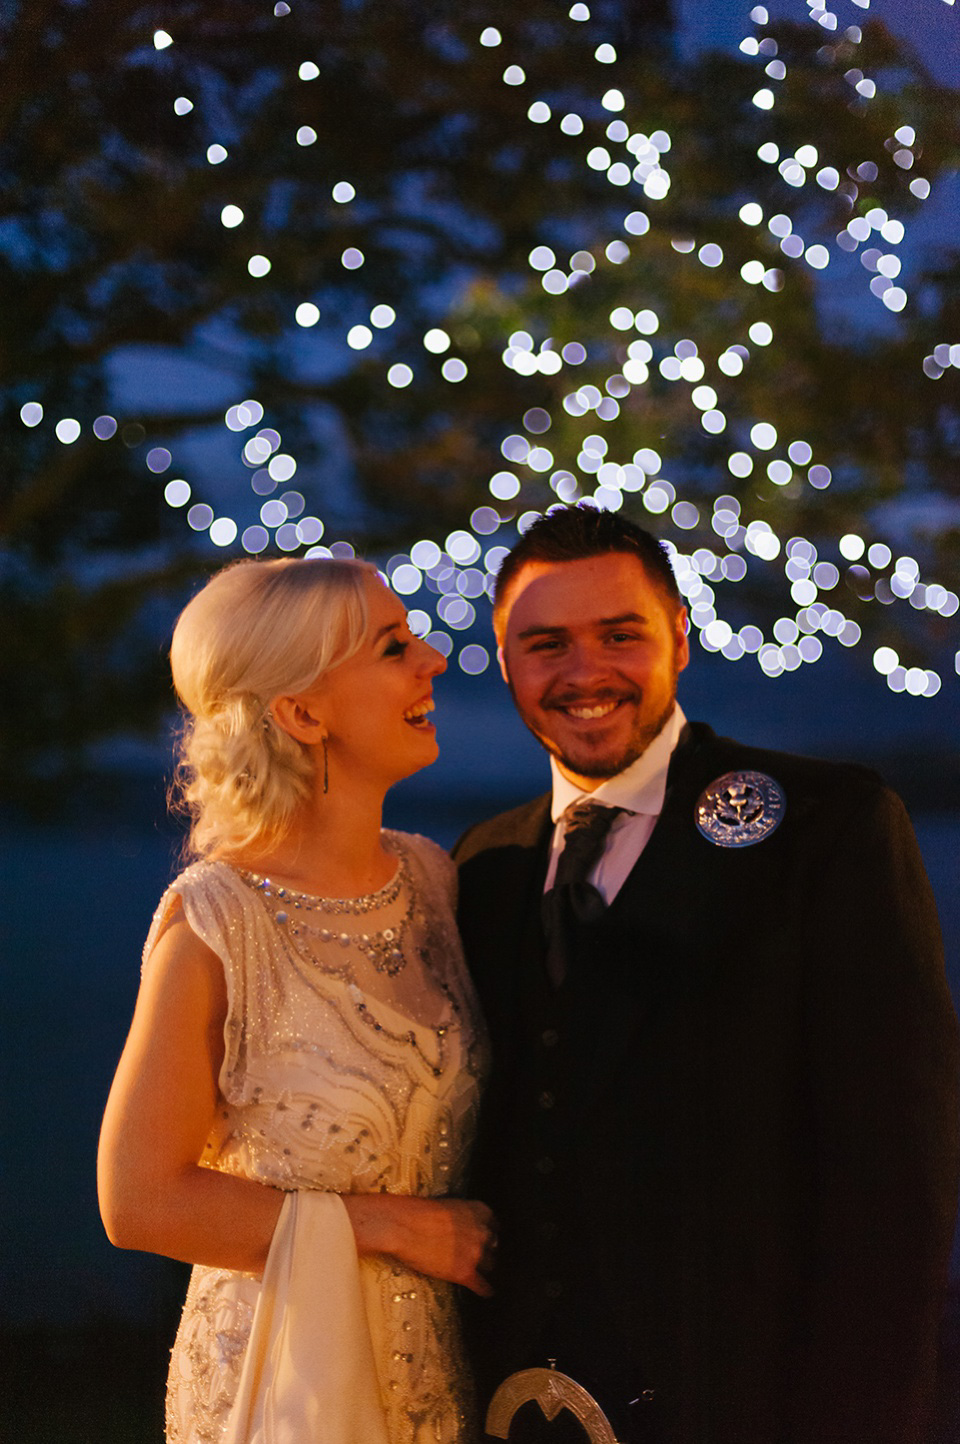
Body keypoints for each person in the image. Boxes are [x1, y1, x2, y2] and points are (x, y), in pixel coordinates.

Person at [453, 504, 960, 1444]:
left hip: (751, 1401)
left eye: (620, 635)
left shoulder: (825, 825)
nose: (583, 672)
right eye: (546, 643)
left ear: (681, 638)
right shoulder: (484, 865)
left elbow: (897, 1179)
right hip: (522, 1408)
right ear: (505, 656)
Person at [98, 556, 495, 1444]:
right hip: (284, 1391)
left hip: (440, 1381)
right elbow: (137, 1200)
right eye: (394, 647)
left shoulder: (433, 879)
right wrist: (397, 1229)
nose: (433, 658)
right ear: (301, 712)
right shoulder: (217, 923)